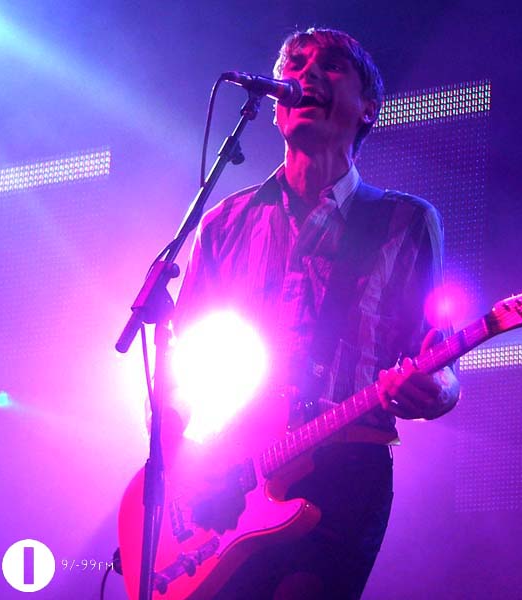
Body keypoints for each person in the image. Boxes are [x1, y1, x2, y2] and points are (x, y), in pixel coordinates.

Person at [171, 27, 460, 600]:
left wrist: (439, 390)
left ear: (368, 108)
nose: (304, 76)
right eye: (295, 65)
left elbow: (439, 356)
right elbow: (179, 369)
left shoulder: (405, 222)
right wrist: (182, 471)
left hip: (347, 469)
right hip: (233, 475)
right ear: (276, 110)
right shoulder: (225, 222)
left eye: (329, 66)